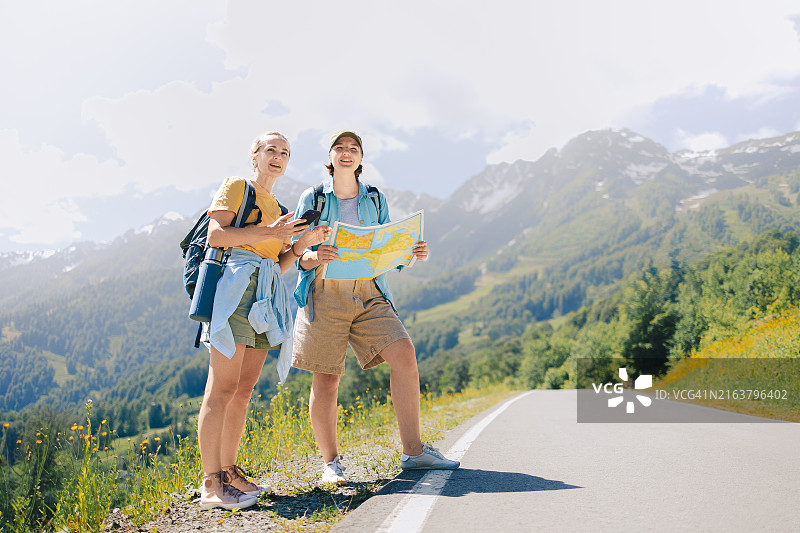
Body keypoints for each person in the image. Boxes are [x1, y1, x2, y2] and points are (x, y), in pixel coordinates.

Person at [290, 130, 459, 485]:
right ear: (331, 157)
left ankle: (413, 453)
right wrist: (313, 254)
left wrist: (410, 255)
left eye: (354, 148)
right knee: (327, 379)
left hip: (370, 291)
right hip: (324, 291)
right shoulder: (314, 197)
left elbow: (385, 250)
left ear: (361, 159)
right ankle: (331, 464)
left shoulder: (375, 198)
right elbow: (296, 254)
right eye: (340, 148)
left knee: (404, 355)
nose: (346, 152)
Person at [197, 131, 331, 510]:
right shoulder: (238, 187)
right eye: (270, 149)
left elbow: (277, 264)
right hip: (236, 292)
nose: (277, 156)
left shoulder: (279, 206)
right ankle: (210, 484)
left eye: (284, 152)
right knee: (222, 387)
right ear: (254, 156)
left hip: (265, 296)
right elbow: (216, 235)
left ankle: (227, 470)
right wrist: (270, 232)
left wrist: (302, 245)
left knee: (244, 388)